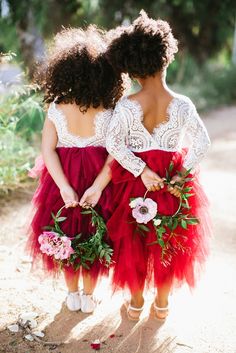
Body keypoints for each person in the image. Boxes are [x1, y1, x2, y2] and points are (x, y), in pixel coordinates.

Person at [105, 10, 211, 321]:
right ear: (165, 59)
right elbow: (202, 143)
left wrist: (140, 169)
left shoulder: (126, 106)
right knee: (168, 239)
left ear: (133, 68)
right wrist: (178, 176)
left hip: (137, 181)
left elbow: (114, 144)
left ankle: (136, 303)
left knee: (134, 239)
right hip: (170, 181)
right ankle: (162, 305)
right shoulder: (181, 104)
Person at [27, 25, 125, 313]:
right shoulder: (109, 110)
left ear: (64, 72)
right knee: (97, 232)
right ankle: (89, 296)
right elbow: (115, 154)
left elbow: (47, 150)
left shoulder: (57, 108)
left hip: (64, 178)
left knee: (66, 233)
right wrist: (98, 186)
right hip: (99, 179)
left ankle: (72, 294)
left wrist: (63, 186)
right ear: (105, 75)